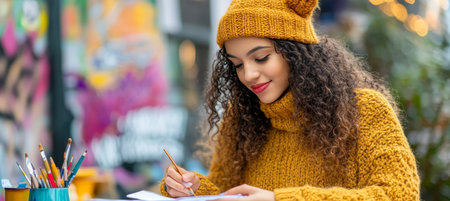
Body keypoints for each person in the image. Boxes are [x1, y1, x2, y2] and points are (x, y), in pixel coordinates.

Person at [160, 0, 420, 200]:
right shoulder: (241, 120)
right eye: (237, 65)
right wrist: (192, 188)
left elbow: (399, 194)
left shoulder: (364, 111)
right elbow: (227, 193)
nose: (248, 75)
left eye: (261, 58)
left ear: (296, 52)